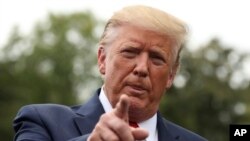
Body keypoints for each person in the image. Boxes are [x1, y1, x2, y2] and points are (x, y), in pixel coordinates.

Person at [13, 5, 207, 141]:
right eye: (130, 52)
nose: (141, 68)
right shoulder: (43, 121)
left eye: (156, 58)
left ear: (171, 75)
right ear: (102, 59)